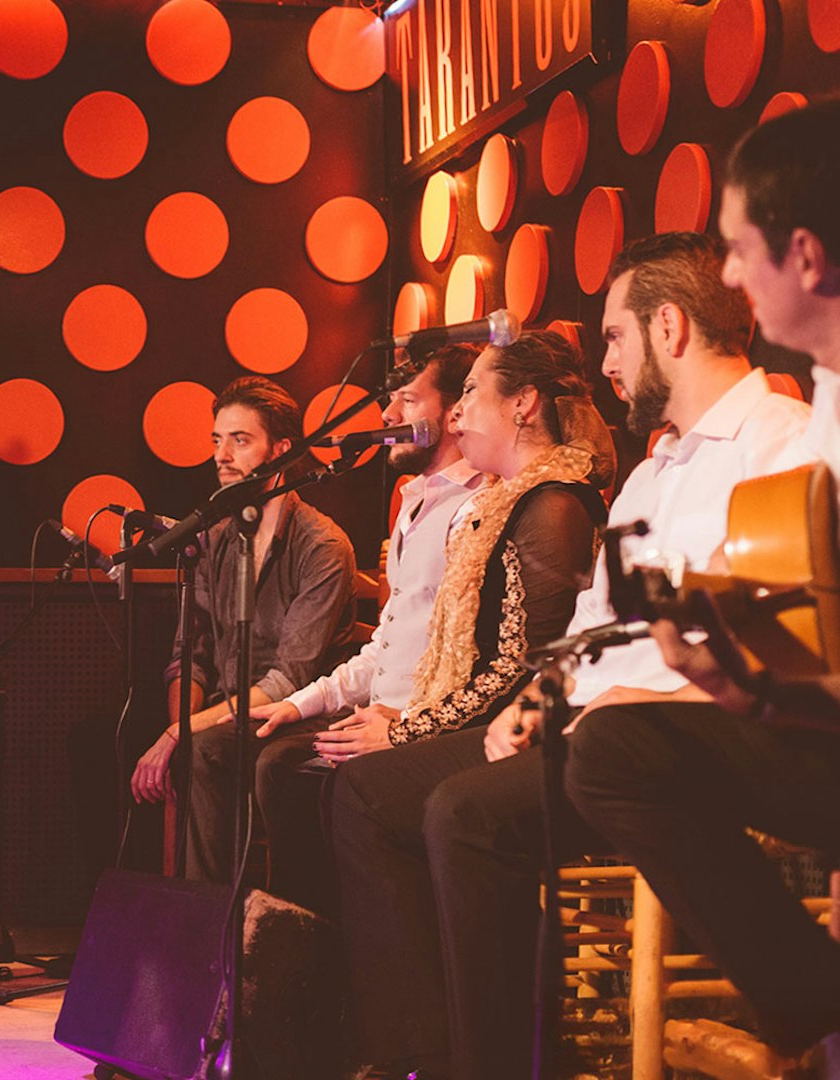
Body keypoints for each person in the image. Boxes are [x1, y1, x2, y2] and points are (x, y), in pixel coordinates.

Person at [323, 233, 811, 1079]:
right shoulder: (656, 472)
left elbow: (790, 645)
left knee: (464, 813)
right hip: (590, 730)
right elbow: (590, 625)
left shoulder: (784, 443)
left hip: (687, 746)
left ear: (669, 328)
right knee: (366, 790)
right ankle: (416, 1053)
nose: (607, 362)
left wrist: (635, 707)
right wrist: (538, 696)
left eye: (616, 336)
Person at [567, 100, 840, 1072]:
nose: (727, 275)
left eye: (736, 248)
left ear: (804, 256)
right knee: (610, 748)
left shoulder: (786, 428)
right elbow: (809, 643)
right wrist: (742, 681)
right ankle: (818, 1013)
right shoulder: (823, 405)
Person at [326, 330, 613, 1079]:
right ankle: (401, 1037)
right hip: (491, 718)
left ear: (523, 404)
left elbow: (522, 671)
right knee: (345, 782)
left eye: (474, 396)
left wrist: (408, 730)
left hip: (528, 729)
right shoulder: (504, 505)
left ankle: (426, 1047)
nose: (456, 418)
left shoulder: (553, 504)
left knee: (371, 790)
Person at [238, 344, 483, 911]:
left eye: (407, 400)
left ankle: (330, 952)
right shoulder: (413, 500)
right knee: (277, 755)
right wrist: (301, 703)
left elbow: (466, 650)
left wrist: (405, 725)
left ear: (453, 413)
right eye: (388, 402)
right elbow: (387, 643)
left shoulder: (477, 507)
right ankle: (306, 948)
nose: (388, 418)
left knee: (288, 770)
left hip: (422, 724)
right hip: (376, 714)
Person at [128, 376, 357, 890]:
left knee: (206, 752)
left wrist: (181, 736)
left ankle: (207, 932)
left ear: (281, 450)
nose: (221, 455)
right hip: (227, 710)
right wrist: (179, 729)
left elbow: (287, 681)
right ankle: (152, 925)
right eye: (216, 440)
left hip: (299, 716)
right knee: (111, 743)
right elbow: (192, 654)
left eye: (239, 440)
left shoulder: (323, 547)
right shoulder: (215, 538)